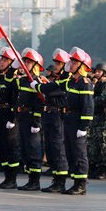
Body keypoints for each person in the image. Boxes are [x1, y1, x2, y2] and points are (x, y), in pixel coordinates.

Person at [62, 47, 95, 195]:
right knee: (71, 152)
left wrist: (84, 126)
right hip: (69, 119)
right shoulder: (72, 82)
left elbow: (88, 107)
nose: (72, 64)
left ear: (82, 66)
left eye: (75, 62)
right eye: (72, 61)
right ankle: (75, 181)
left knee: (80, 153)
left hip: (77, 121)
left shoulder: (85, 83)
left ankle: (81, 184)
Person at [0, 48, 22, 189]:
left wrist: (13, 119)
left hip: (9, 115)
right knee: (2, 148)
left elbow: (16, 100)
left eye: (4, 60)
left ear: (11, 63)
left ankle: (12, 179)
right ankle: (7, 178)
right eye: (1, 59)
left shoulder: (14, 79)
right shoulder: (0, 77)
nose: (1, 62)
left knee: (11, 149)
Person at [39, 49, 70, 192]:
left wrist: (40, 87)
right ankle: (55, 178)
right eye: (56, 63)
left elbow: (52, 90)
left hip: (58, 117)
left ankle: (60, 182)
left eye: (58, 63)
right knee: (50, 148)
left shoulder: (66, 80)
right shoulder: (58, 79)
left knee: (58, 149)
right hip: (49, 116)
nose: (56, 66)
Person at [15, 48, 46, 190]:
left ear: (35, 65)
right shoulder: (23, 81)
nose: (25, 64)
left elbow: (40, 104)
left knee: (34, 150)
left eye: (28, 62)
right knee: (26, 149)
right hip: (23, 118)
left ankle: (35, 181)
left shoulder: (36, 81)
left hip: (31, 119)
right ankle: (30, 179)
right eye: (25, 62)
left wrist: (36, 122)